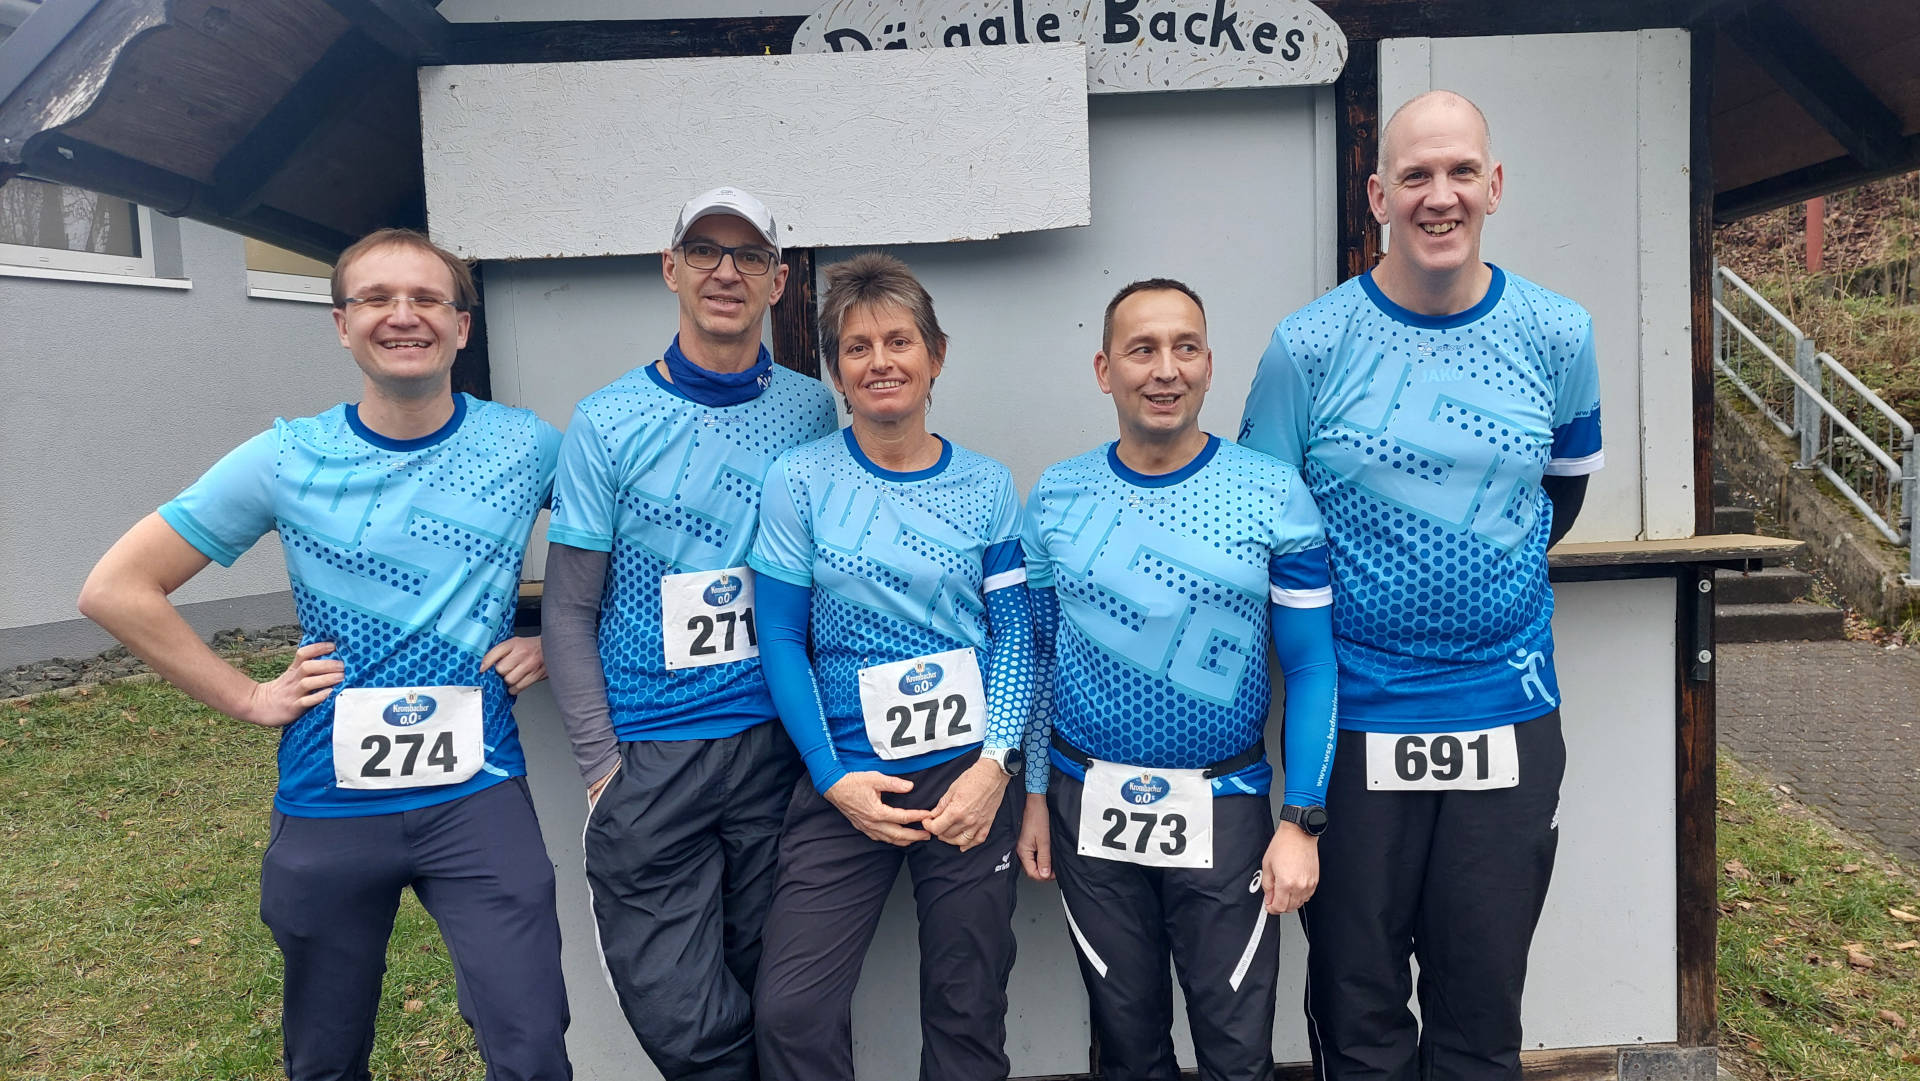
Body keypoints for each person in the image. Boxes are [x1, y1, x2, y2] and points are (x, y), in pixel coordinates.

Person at [77, 227, 571, 1080]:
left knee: (530, 1048)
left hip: (477, 795)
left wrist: (555, 637)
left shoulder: (526, 445)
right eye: (376, 298)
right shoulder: (287, 455)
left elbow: (626, 552)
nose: (402, 315)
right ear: (342, 325)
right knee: (326, 1057)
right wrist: (248, 696)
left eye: (426, 299)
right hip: (328, 800)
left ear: (462, 326)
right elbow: (117, 587)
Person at [1237, 90, 1604, 1081]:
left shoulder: (1558, 334)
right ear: (1377, 196)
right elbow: (1264, 518)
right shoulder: (1305, 348)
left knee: (1481, 997)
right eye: (1414, 176)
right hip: (1355, 718)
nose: (1439, 197)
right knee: (1358, 1002)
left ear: (1494, 185)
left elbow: (1558, 501)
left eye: (1458, 172)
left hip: (1508, 709)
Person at [540, 186, 837, 1079]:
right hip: (653, 752)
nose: (724, 270)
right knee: (685, 1021)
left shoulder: (813, 411)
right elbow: (567, 608)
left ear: (779, 282)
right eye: (703, 249)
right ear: (669, 268)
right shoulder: (607, 421)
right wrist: (599, 767)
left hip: (778, 748)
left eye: (749, 255)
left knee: (784, 1003)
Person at [1019, 278, 1339, 1081]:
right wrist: (1030, 794)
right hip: (1087, 803)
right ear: (1103, 369)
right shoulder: (1056, 494)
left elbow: (1310, 663)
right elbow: (1037, 656)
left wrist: (1301, 818)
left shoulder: (1272, 492)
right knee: (1127, 1047)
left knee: (1237, 1050)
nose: (1165, 369)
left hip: (1224, 805)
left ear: (1208, 364)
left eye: (1185, 347)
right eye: (1142, 348)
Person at [748, 252, 1035, 1081]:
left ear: (935, 354)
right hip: (845, 772)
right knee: (792, 1009)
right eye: (858, 346)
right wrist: (832, 776)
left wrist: (994, 764)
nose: (881, 362)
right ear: (836, 369)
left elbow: (1014, 634)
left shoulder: (986, 484)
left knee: (968, 1001)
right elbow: (779, 640)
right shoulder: (798, 481)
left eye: (900, 341)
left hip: (969, 772)